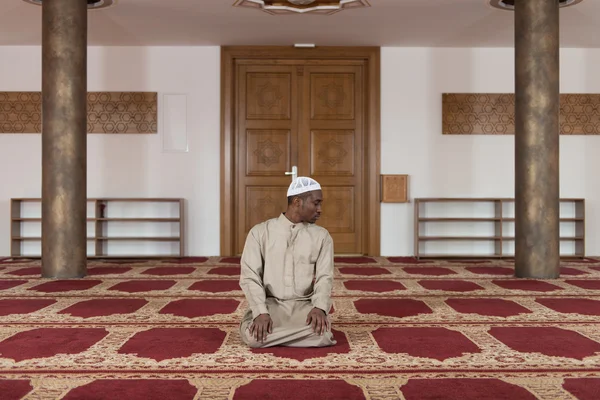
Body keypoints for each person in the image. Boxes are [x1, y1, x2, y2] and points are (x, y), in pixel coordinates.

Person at [238, 176, 336, 348]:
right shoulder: (260, 232)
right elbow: (250, 277)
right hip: (270, 304)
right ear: (297, 202)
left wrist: (319, 308)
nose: (320, 209)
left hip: (304, 306)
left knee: (324, 336)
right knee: (254, 337)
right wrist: (260, 312)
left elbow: (325, 277)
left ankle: (277, 336)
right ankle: (294, 335)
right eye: (316, 203)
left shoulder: (322, 236)